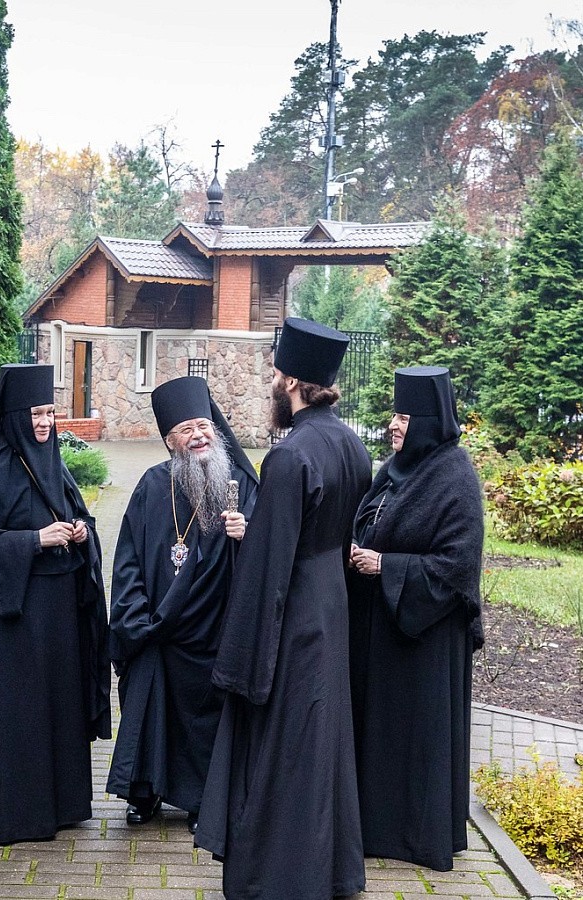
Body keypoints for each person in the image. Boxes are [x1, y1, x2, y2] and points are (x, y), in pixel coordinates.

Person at [195, 317, 372, 900]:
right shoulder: (352, 446)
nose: (272, 381)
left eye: (275, 372)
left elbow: (269, 564)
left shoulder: (290, 456)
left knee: (284, 741)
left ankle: (278, 875)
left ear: (292, 381)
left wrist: (241, 659)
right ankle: (331, 870)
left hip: (294, 611)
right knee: (322, 738)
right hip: (333, 602)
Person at [0, 364, 111, 845]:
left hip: (59, 615)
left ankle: (64, 806)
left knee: (57, 708)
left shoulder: (54, 463)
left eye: (49, 414)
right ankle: (19, 812)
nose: (44, 424)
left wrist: (81, 531)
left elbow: (78, 515)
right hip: (15, 621)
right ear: (14, 417)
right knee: (21, 713)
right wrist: (35, 540)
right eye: (35, 415)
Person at [106, 376, 259, 834]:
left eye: (203, 425)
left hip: (215, 624)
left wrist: (246, 535)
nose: (198, 435)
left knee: (209, 707)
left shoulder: (239, 485)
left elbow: (270, 549)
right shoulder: (152, 485)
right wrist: (134, 614)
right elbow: (127, 558)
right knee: (149, 689)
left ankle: (202, 801)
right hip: (159, 624)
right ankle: (145, 790)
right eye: (186, 429)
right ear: (170, 440)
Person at [348, 366, 484, 872]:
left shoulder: (454, 477)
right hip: (386, 629)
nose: (393, 424)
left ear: (428, 422)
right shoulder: (395, 469)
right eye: (394, 414)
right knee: (383, 736)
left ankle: (417, 837)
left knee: (418, 741)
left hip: (427, 638)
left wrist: (386, 565)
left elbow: (457, 566)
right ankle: (377, 828)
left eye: (404, 417)